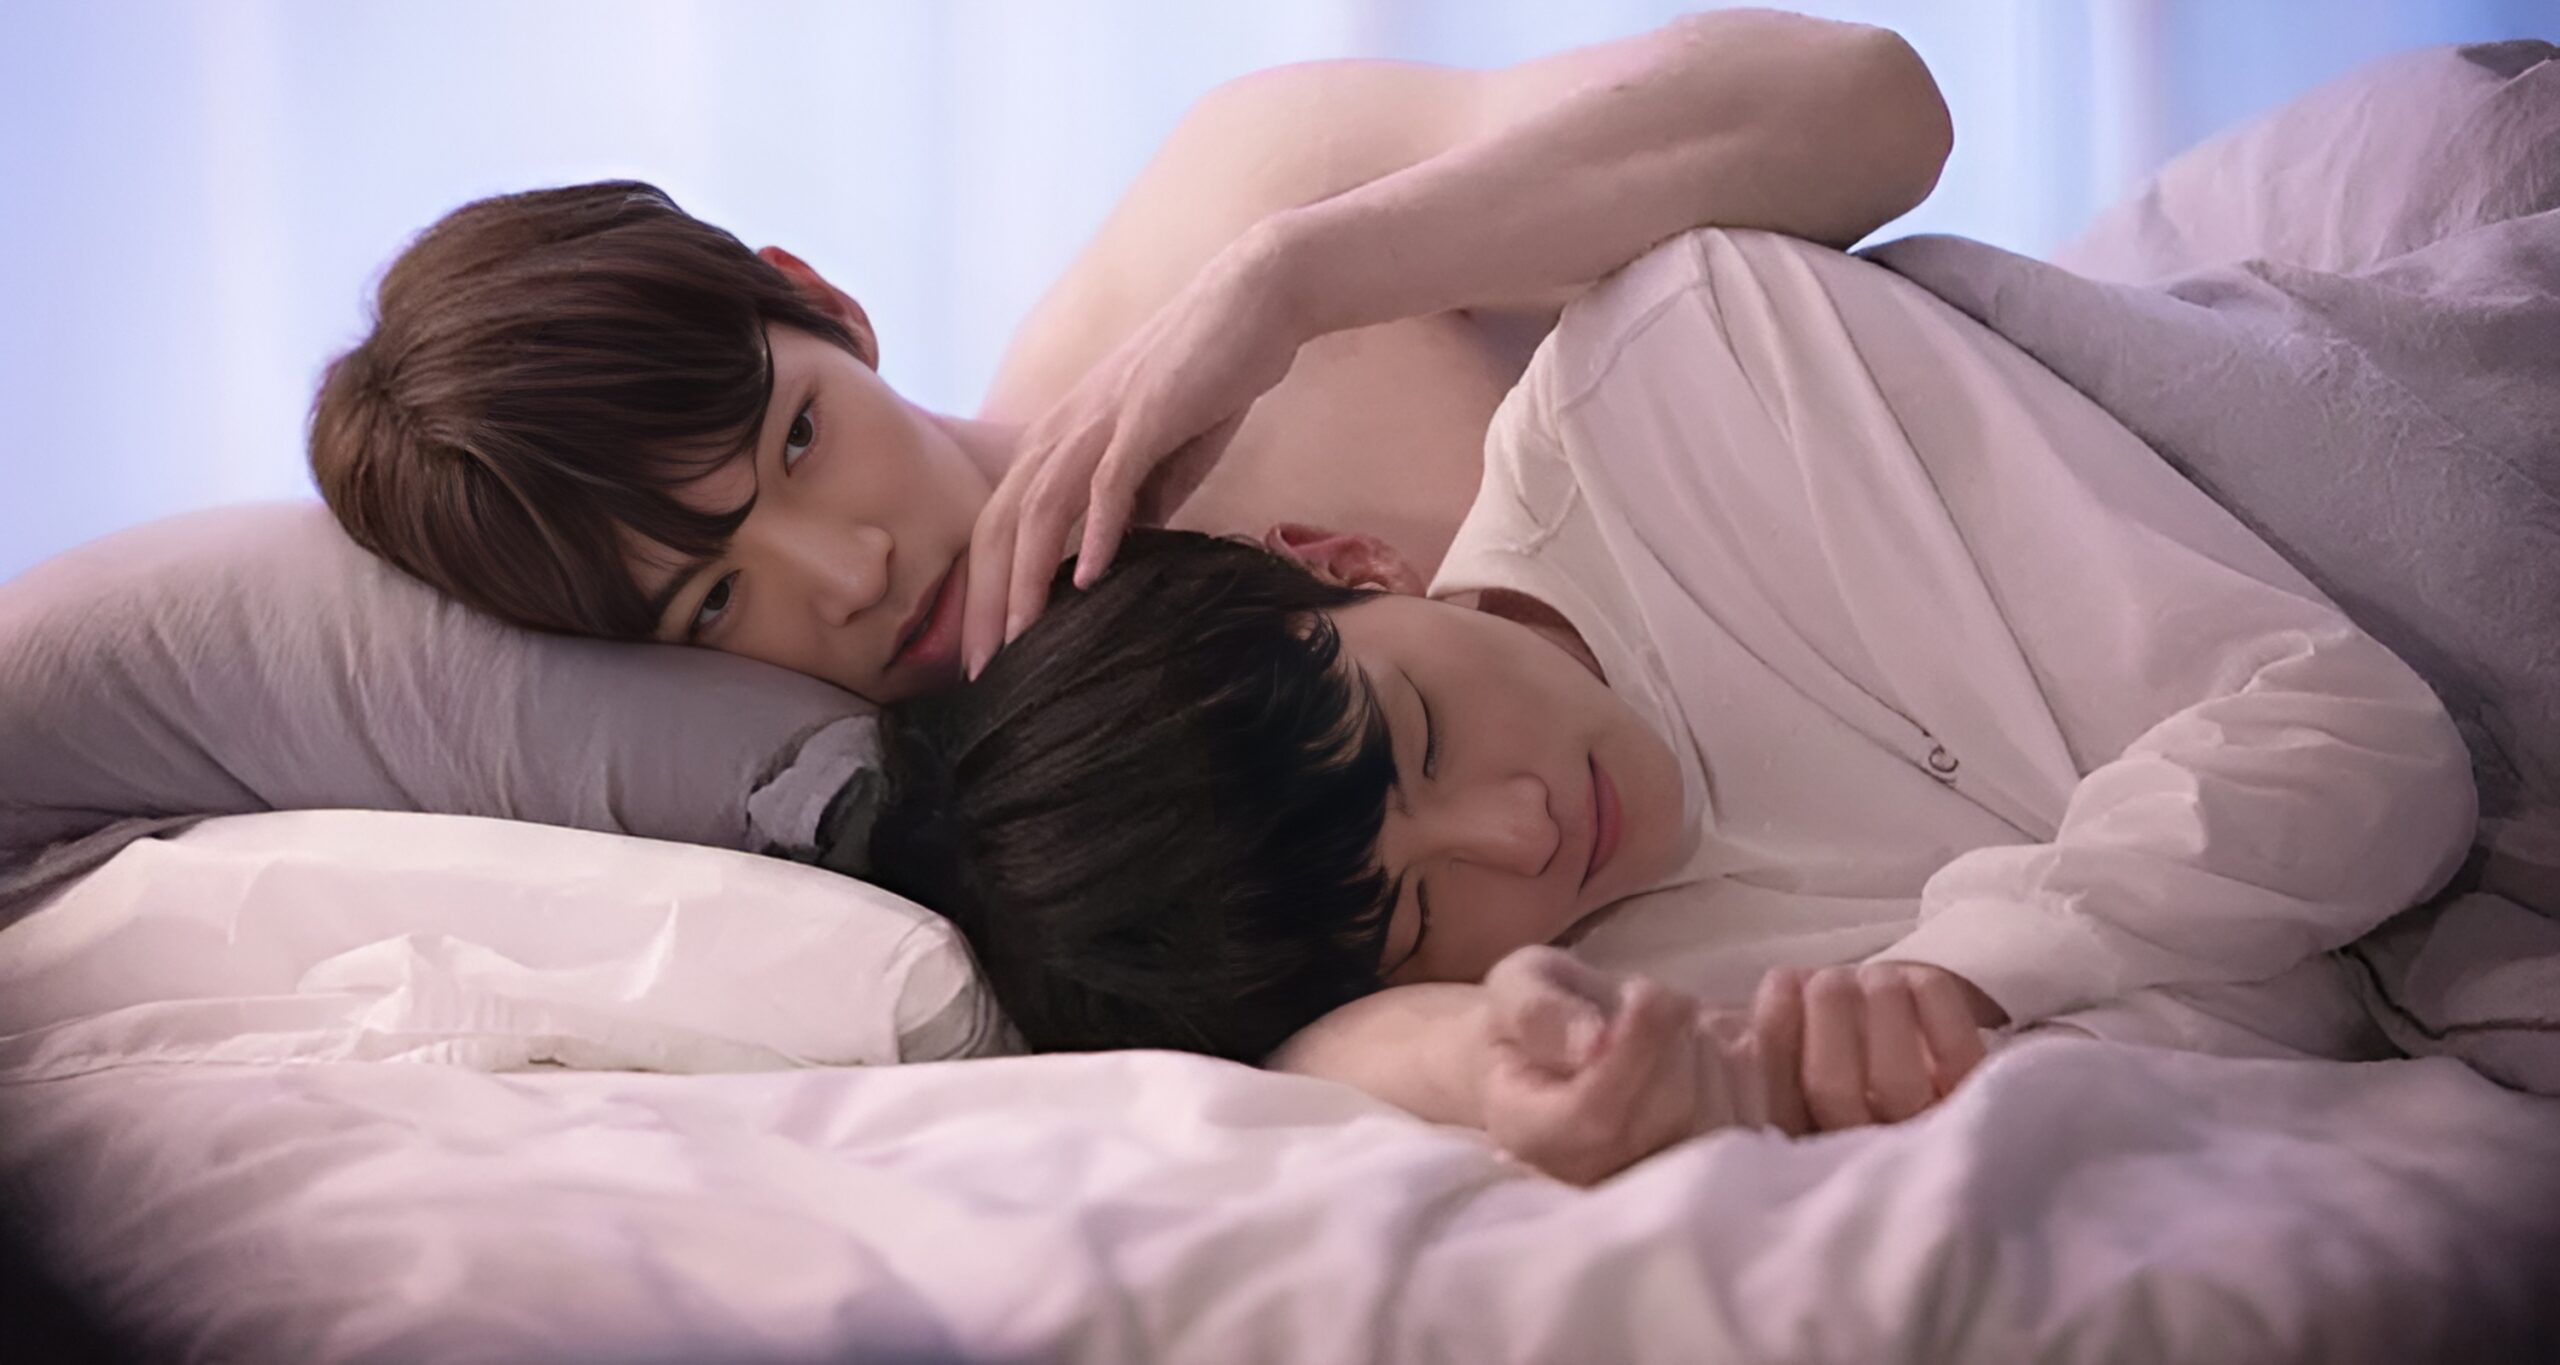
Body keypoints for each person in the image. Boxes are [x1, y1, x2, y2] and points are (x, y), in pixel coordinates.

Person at [858, 223, 2478, 1183]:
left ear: (1342, 560)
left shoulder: (1695, 376)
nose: (1521, 831)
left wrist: (1971, 973)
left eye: (1422, 734)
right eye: (1421, 909)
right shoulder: (1619, 1007)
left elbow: (2366, 739)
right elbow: (2304, 1019)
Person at [305, 10, 1952, 704]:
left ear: (823, 302)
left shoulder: (1245, 211)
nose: (850, 577)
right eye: (715, 601)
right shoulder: (981, 800)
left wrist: (1296, 280)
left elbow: (1878, 111)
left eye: (798, 439)